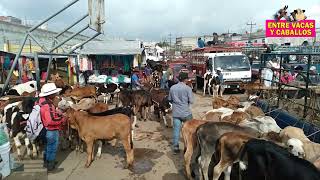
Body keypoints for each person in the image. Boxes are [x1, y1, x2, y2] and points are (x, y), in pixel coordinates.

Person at [38, 83, 65, 171]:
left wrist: (57, 113)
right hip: (51, 130)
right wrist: (61, 118)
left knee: (48, 146)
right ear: (51, 95)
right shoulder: (48, 106)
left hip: (46, 129)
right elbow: (50, 120)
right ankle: (51, 164)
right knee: (53, 147)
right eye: (55, 93)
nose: (56, 95)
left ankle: (47, 161)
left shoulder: (43, 103)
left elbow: (49, 116)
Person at [168, 72, 194, 154]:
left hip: (176, 113)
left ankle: (176, 147)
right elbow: (191, 101)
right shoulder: (188, 88)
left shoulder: (172, 88)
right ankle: (188, 147)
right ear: (185, 79)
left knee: (176, 130)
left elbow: (169, 99)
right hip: (186, 113)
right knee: (190, 131)